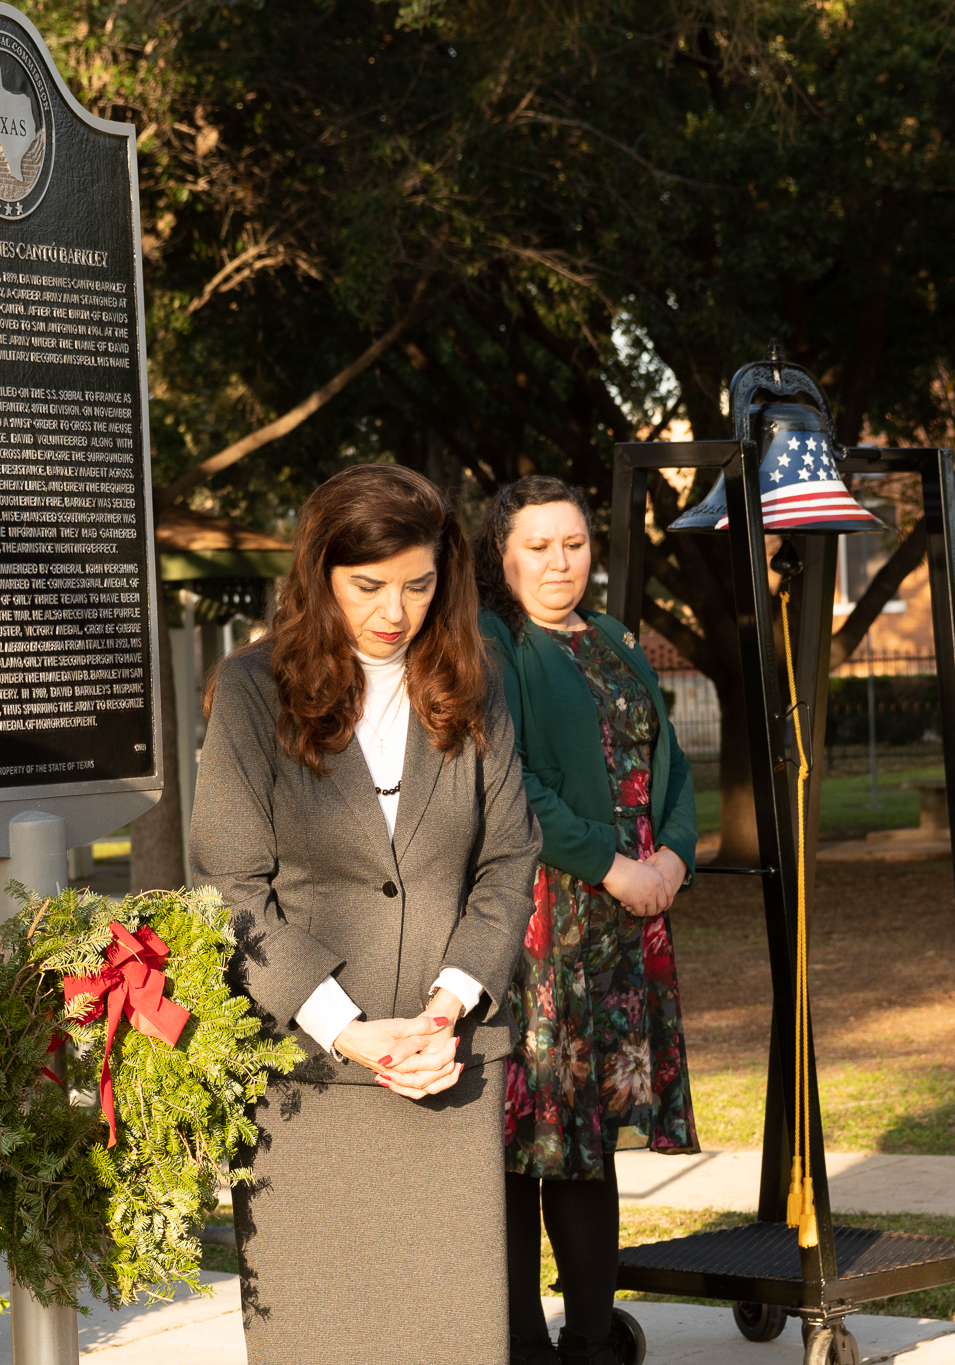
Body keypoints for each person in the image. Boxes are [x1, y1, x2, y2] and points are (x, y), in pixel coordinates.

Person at [189, 464, 540, 1364]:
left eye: (418, 585)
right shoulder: (252, 688)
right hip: (305, 1079)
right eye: (368, 585)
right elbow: (230, 885)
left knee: (451, 1338)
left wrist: (446, 1007)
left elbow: (508, 858)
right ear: (321, 575)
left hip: (445, 1064)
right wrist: (345, 1028)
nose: (395, 610)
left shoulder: (477, 679)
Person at [475, 476, 700, 1365]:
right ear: (502, 555)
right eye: (537, 546)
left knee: (589, 1135)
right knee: (530, 1137)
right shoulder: (493, 641)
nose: (558, 562)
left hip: (627, 922)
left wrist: (671, 858)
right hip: (543, 921)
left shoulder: (611, 635)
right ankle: (522, 1345)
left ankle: (593, 1343)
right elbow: (510, 779)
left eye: (573, 543)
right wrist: (611, 864)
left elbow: (670, 760)